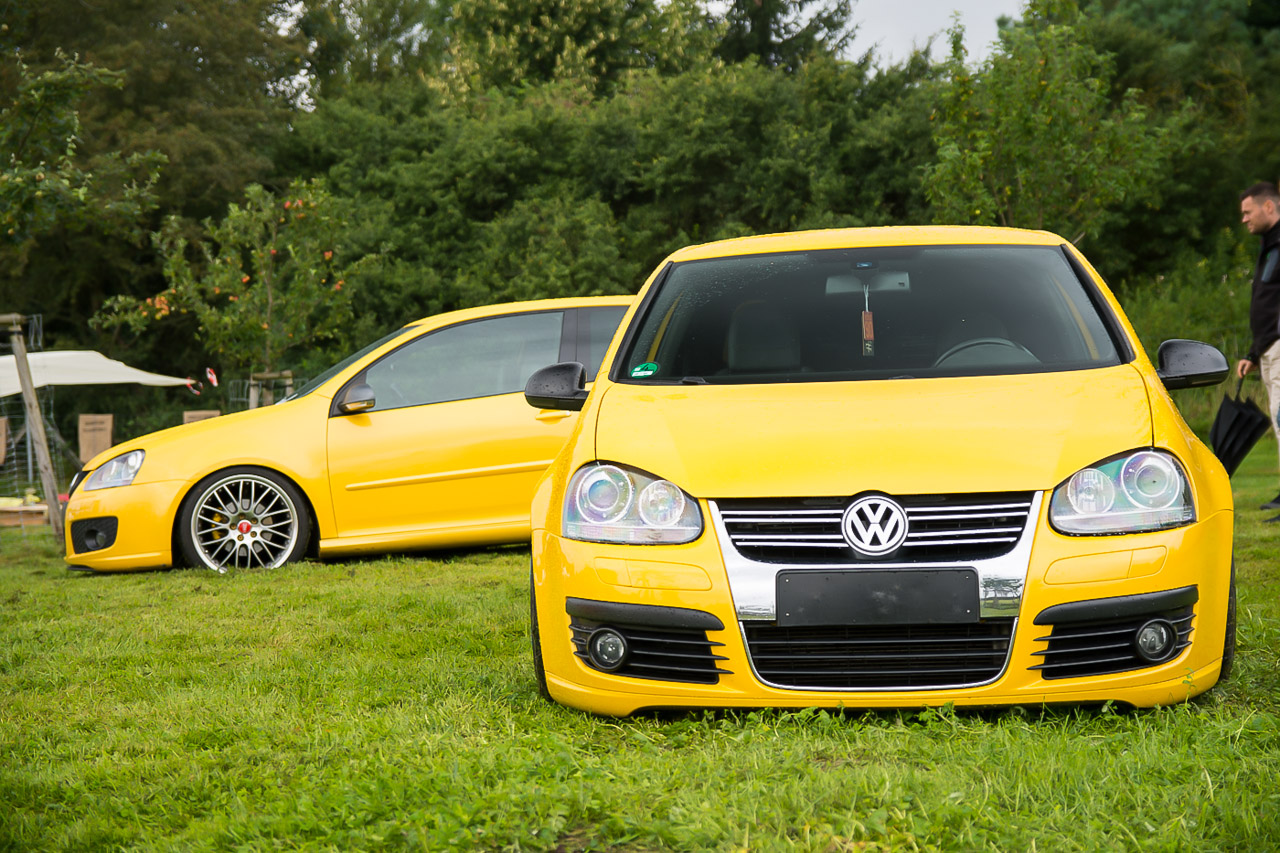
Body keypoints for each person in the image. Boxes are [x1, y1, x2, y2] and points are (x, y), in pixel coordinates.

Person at [1236, 181, 1280, 511]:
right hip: (1268, 349)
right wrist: (1254, 352)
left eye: (1248, 212)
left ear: (1268, 206)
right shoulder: (1270, 245)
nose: (1244, 219)